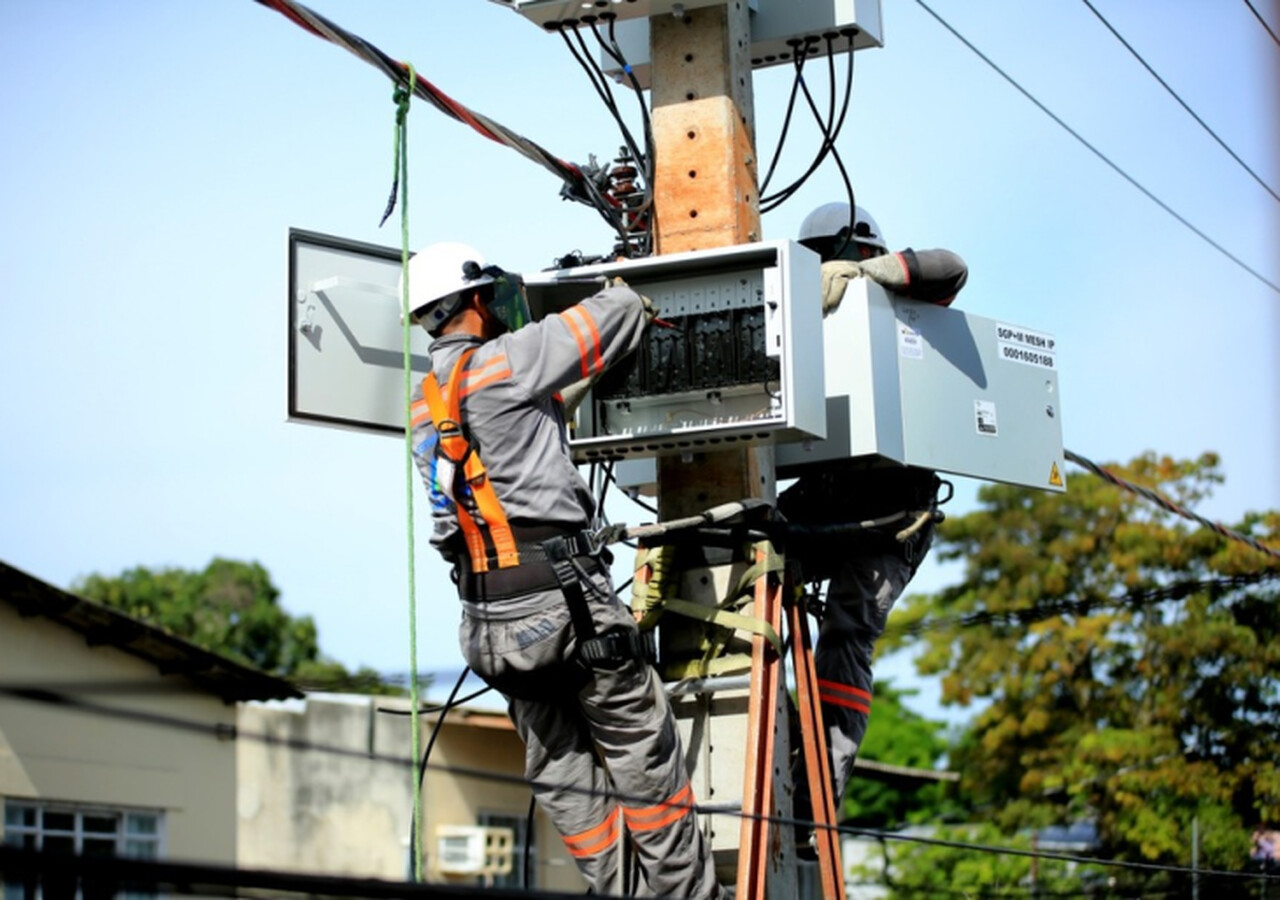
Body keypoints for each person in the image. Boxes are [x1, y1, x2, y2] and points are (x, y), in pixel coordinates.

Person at [405, 242, 724, 899]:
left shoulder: (422, 402)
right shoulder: (510, 359)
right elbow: (618, 310)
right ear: (473, 300)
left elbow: (498, 453)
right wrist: (621, 274)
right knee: (643, 754)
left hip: (488, 624)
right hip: (564, 600)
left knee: (560, 769)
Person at [779, 201, 969, 811]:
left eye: (845, 259)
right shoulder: (800, 312)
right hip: (826, 496)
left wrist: (869, 277)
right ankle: (766, 746)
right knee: (742, 572)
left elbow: (951, 267)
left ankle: (819, 793)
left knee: (847, 630)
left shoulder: (903, 307)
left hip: (891, 510)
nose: (835, 270)